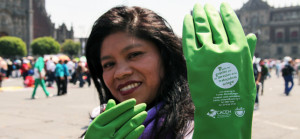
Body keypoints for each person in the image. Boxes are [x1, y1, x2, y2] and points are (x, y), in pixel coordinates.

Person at [84, 3, 257, 139]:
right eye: (108, 64)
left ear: (166, 57)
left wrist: (222, 123)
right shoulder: (100, 126)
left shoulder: (194, 126)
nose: (120, 72)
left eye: (134, 54)